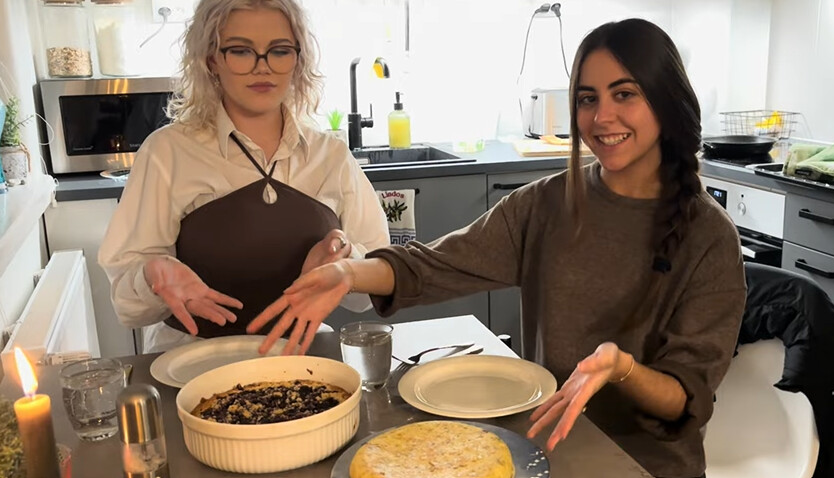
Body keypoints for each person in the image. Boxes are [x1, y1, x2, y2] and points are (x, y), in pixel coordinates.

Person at [249, 18, 745, 478]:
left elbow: (684, 398)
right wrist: (350, 274)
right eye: (587, 98)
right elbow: (436, 266)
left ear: (665, 99)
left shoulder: (710, 237)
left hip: (644, 464)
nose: (601, 116)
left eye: (625, 94)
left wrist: (622, 367)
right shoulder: (547, 203)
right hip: (546, 445)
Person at [98, 0, 389, 354]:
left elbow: (374, 287)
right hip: (192, 362)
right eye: (241, 51)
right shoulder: (167, 153)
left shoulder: (331, 156)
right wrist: (154, 274)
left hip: (303, 359)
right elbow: (127, 306)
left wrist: (345, 263)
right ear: (211, 59)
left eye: (279, 51)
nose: (262, 67)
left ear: (298, 60)